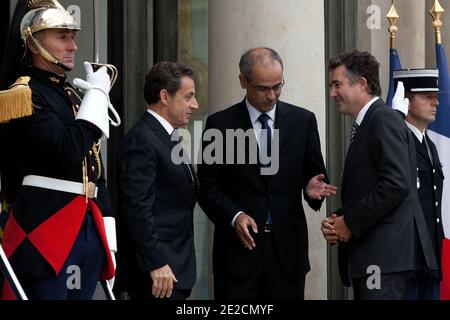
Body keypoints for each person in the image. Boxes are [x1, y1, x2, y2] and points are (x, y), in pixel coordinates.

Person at [197, 47, 337, 300]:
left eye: (278, 86)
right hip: (238, 256)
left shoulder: (303, 121)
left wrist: (311, 191)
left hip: (288, 255)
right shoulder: (220, 125)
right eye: (263, 88)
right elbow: (207, 189)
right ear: (243, 81)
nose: (272, 95)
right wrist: (234, 215)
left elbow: (314, 177)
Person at [0, 0, 116, 299]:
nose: (73, 46)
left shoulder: (71, 94)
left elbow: (94, 170)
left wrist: (109, 235)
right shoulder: (23, 94)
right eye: (62, 37)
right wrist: (97, 97)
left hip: (87, 225)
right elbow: (67, 151)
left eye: (73, 36)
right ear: (35, 43)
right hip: (46, 228)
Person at [321, 51, 437, 300]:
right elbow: (373, 186)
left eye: (337, 84)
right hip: (376, 259)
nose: (332, 93)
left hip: (383, 260)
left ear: (362, 83)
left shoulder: (382, 120)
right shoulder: (371, 122)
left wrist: (350, 223)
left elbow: (396, 184)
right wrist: (339, 220)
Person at [117, 61, 199, 300]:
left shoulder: (165, 137)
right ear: (165, 96)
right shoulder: (142, 140)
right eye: (188, 97)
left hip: (175, 269)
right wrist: (156, 263)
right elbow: (136, 208)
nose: (195, 104)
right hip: (158, 275)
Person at [393, 69, 444, 300]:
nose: (436, 102)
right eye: (427, 96)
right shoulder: (398, 142)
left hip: (431, 255)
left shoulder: (429, 144)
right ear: (406, 100)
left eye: (436, 95)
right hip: (408, 257)